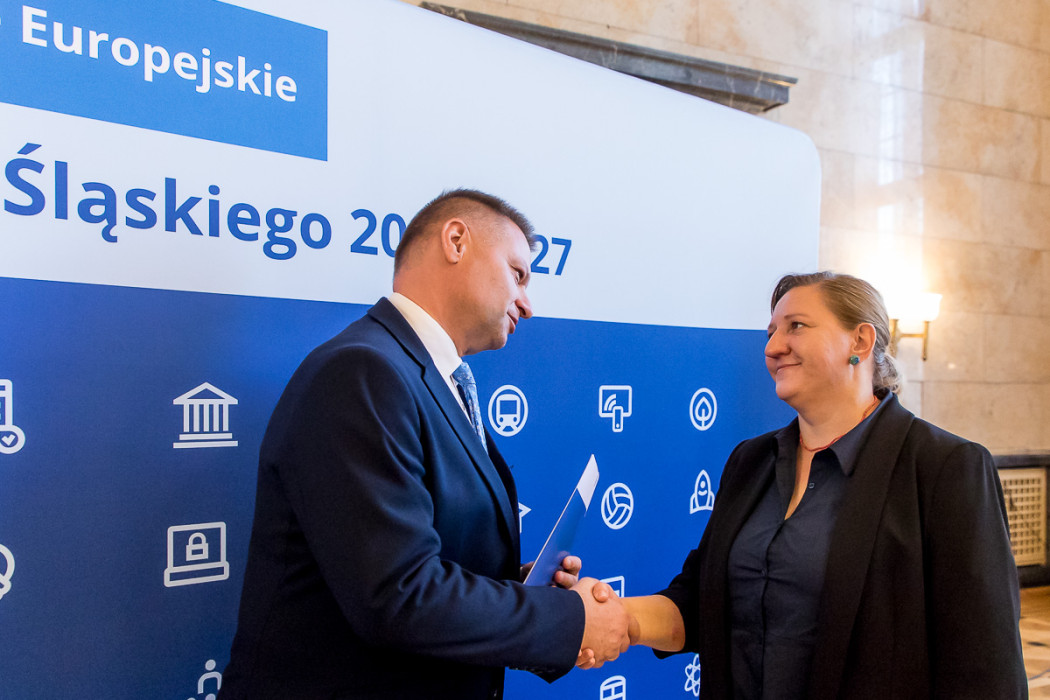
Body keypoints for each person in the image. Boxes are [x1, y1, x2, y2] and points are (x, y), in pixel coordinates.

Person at [219, 189, 629, 699]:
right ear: (456, 241)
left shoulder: (428, 379)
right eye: (518, 274)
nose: (528, 304)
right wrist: (565, 619)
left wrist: (525, 592)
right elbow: (399, 595)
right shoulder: (363, 372)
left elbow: (418, 561)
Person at [580, 271, 1027, 698]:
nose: (774, 347)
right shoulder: (749, 461)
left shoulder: (944, 467)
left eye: (796, 326)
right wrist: (612, 616)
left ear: (860, 341)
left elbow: (984, 667)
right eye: (771, 332)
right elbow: (702, 605)